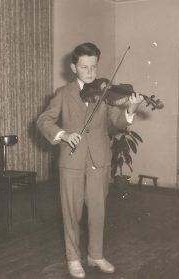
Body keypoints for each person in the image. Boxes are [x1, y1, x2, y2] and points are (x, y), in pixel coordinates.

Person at [37, 42, 143, 279]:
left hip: (99, 158)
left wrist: (131, 110)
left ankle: (95, 255)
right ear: (74, 67)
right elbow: (44, 120)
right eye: (84, 67)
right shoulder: (63, 94)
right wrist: (63, 134)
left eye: (93, 67)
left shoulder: (104, 94)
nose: (90, 72)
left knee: (98, 211)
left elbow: (116, 120)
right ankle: (73, 258)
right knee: (71, 212)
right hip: (71, 160)